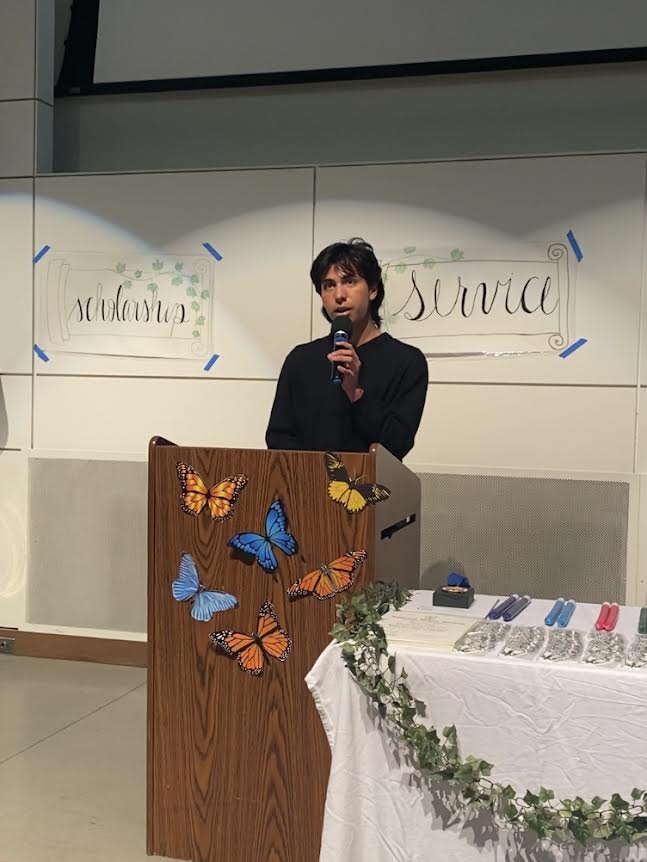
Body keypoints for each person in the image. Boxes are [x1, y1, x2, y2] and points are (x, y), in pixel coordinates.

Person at [265, 237, 428, 461]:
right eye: (329, 285)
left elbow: (398, 444)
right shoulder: (301, 359)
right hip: (305, 489)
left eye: (350, 282)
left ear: (372, 289)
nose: (339, 295)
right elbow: (278, 437)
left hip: (370, 490)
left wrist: (356, 393)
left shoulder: (406, 361)